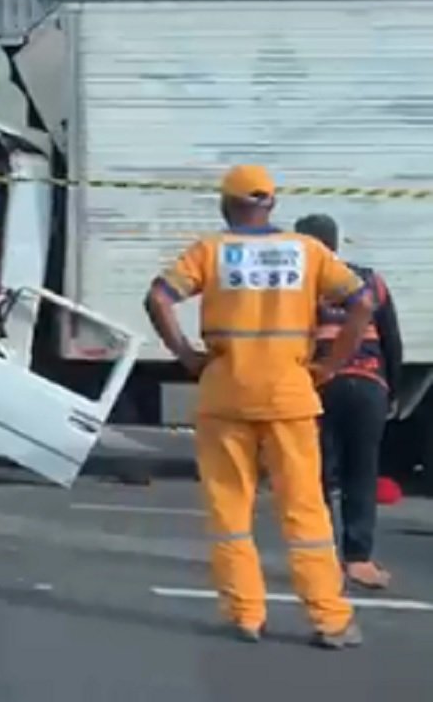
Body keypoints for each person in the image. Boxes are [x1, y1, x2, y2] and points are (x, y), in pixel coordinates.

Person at [144, 165, 374, 649]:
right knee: (305, 512)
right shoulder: (308, 252)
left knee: (229, 510)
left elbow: (159, 297)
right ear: (271, 204)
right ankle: (330, 620)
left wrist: (186, 354)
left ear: (226, 205)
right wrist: (332, 363)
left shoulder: (211, 251)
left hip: (226, 394)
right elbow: (363, 301)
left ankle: (245, 614)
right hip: (290, 395)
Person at [295, 213, 402, 591]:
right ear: (336, 243)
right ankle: (358, 560)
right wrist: (394, 389)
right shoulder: (370, 281)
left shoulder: (298, 285)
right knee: (362, 471)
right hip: (369, 383)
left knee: (318, 473)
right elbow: (391, 339)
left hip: (319, 384)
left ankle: (320, 556)